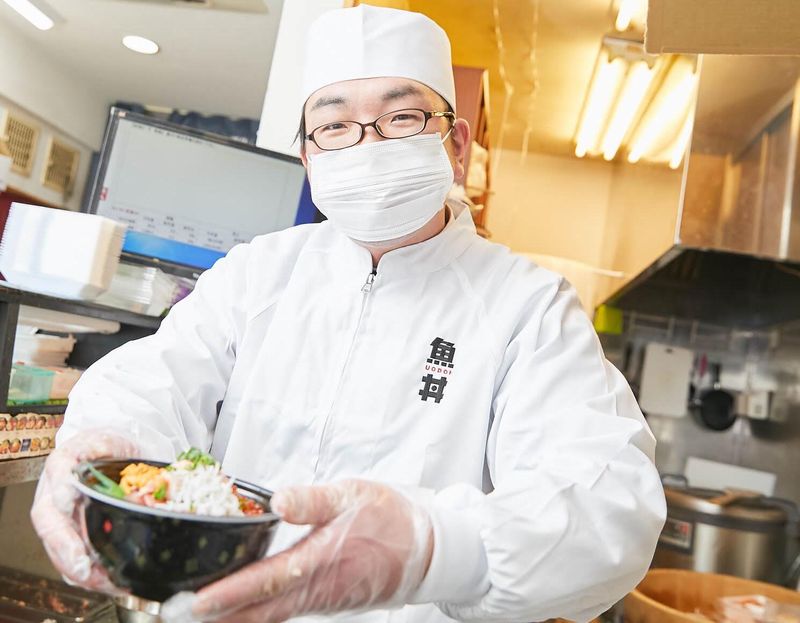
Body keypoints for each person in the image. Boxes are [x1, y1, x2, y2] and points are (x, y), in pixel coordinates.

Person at [31, 5, 666, 623]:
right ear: (308, 157)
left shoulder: (526, 307)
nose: (367, 144)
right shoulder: (260, 272)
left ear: (457, 144)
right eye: (334, 126)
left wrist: (431, 550)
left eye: (401, 116)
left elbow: (609, 501)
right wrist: (99, 446)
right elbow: (155, 380)